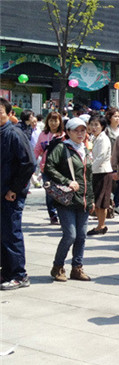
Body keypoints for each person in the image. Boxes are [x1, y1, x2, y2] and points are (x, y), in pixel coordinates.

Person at [44, 117, 94, 281]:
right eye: (76, 130)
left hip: (83, 199)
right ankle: (58, 266)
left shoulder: (85, 149)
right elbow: (49, 167)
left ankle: (77, 268)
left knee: (81, 236)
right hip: (67, 199)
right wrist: (67, 181)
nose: (80, 134)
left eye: (83, 130)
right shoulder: (62, 147)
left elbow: (89, 178)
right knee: (70, 235)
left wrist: (91, 199)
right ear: (68, 132)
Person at [0, 97, 35, 290]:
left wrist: (14, 189)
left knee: (11, 234)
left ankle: (19, 275)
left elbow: (29, 163)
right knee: (3, 234)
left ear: (8, 113)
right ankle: (6, 271)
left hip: (10, 193)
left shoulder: (14, 133)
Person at [34, 112, 65, 225]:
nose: (53, 123)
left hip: (60, 169)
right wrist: (33, 161)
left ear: (59, 122)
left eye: (56, 120)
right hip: (45, 167)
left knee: (61, 191)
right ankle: (52, 215)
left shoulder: (63, 135)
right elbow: (37, 149)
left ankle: (62, 214)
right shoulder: (43, 134)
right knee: (50, 193)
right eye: (51, 120)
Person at [86, 115, 113, 235]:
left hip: (102, 172)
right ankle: (99, 225)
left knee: (102, 201)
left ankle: (101, 225)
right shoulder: (94, 138)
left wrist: (89, 169)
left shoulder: (103, 139)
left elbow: (101, 157)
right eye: (91, 124)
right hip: (96, 171)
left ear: (102, 126)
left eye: (96, 125)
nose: (93, 127)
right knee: (97, 200)